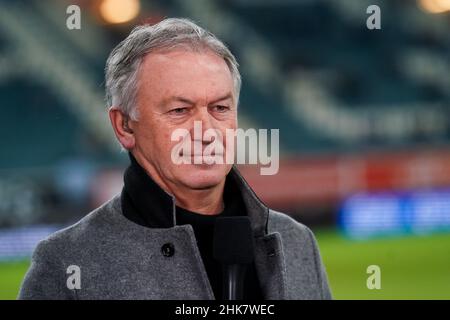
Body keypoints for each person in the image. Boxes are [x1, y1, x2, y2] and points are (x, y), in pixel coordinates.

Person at [18, 18, 331, 300]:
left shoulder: (297, 241)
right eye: (179, 111)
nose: (206, 132)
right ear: (124, 126)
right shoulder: (66, 263)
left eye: (220, 108)